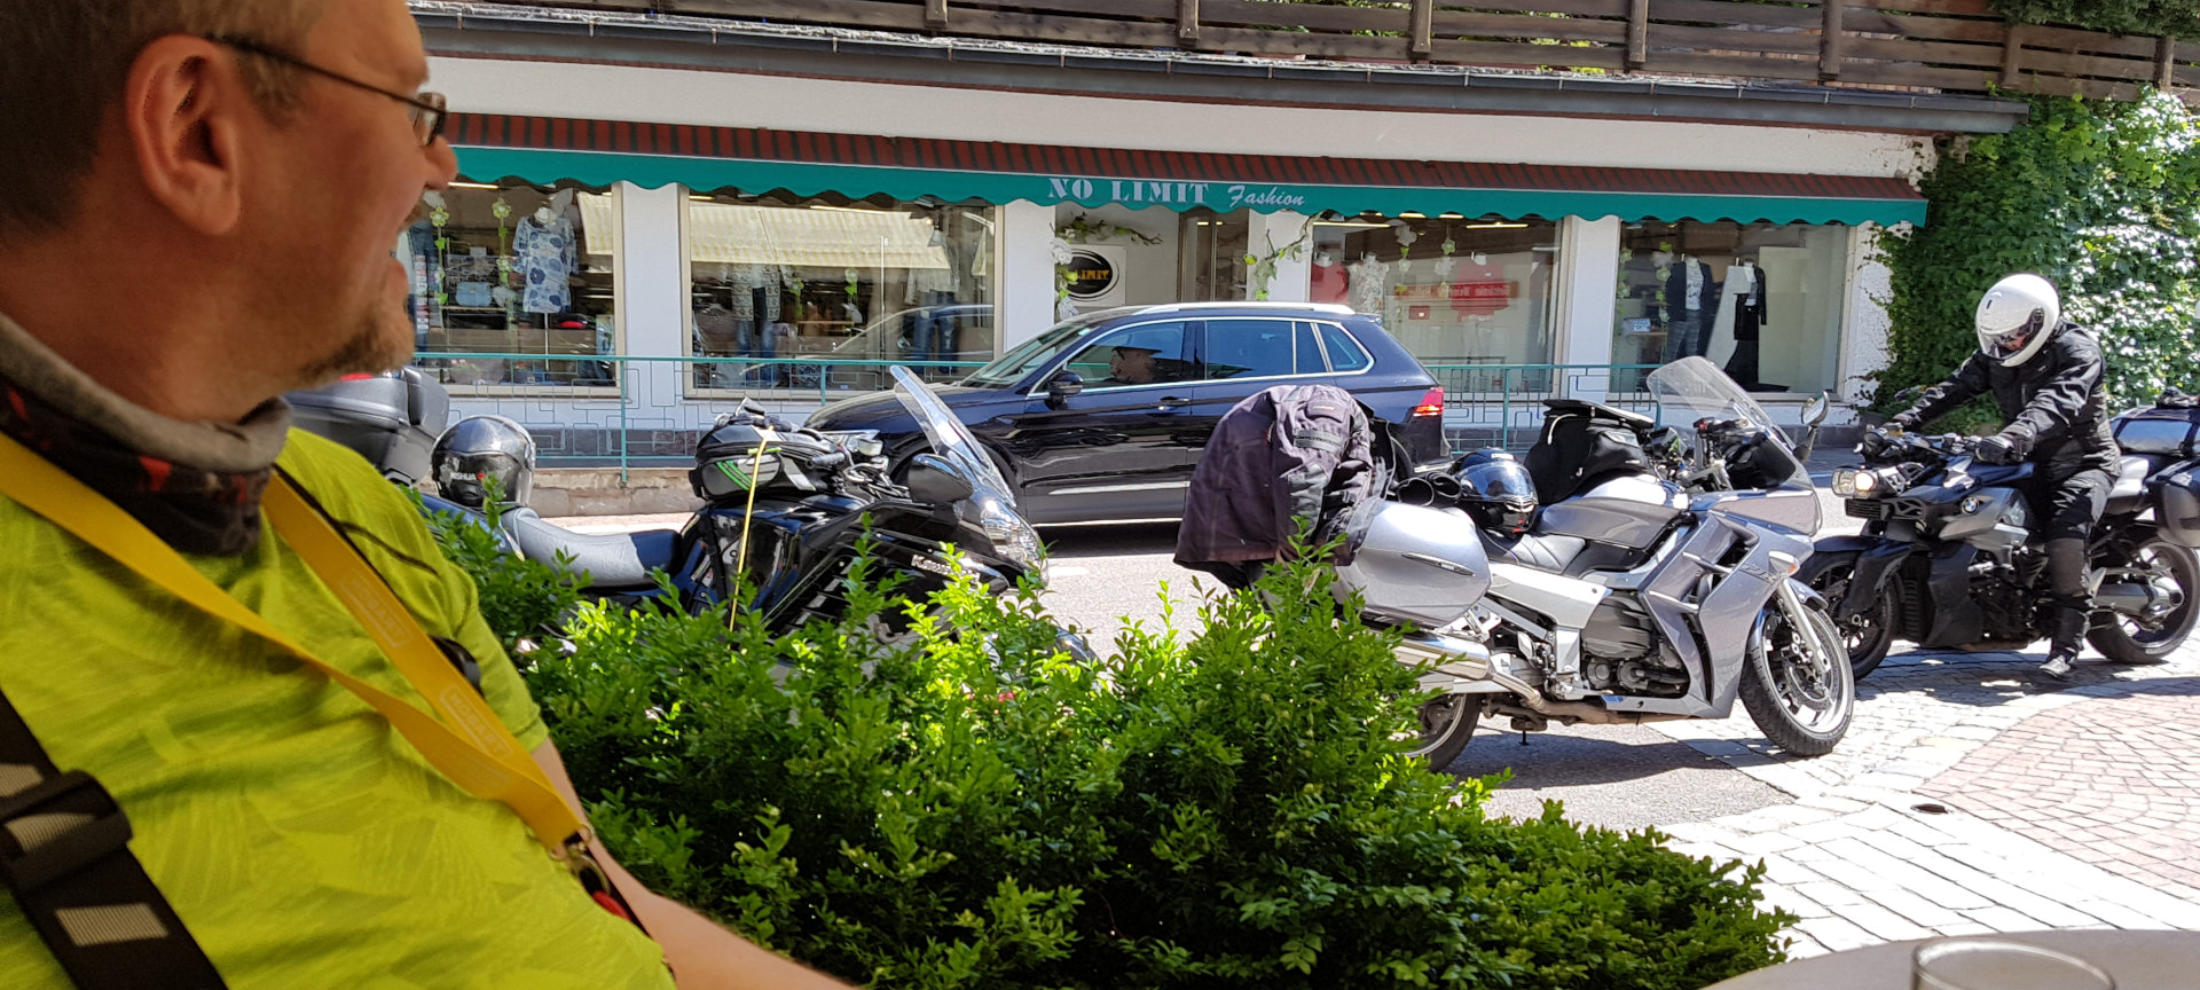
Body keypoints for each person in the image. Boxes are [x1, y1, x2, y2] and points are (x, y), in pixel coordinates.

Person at [0, 2, 846, 987]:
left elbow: (605, 895)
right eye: (410, 109)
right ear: (197, 131)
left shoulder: (338, 502)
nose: (442, 165)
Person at [1868, 273, 2120, 679]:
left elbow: (2056, 401)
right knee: (1960, 505)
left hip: (2082, 462)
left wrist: (2013, 436)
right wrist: (1898, 426)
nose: (2006, 343)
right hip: (2025, 458)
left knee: (2065, 535)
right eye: (1998, 336)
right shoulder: (1997, 353)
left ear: (2039, 323)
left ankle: (2066, 645)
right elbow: (1954, 388)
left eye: (2014, 335)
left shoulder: (2077, 351)